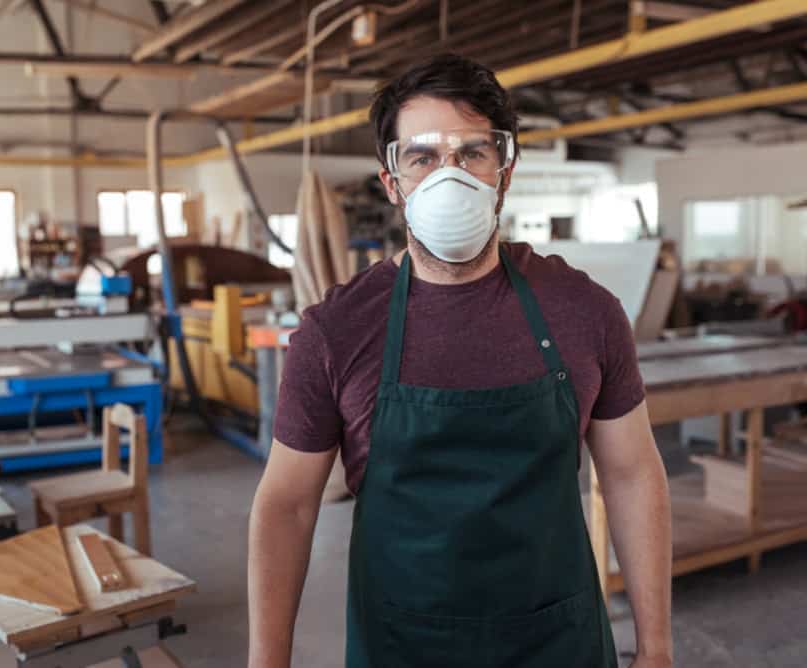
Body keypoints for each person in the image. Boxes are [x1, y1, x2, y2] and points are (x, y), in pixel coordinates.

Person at [248, 53, 672, 668]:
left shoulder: (585, 311)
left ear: (504, 170)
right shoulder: (334, 332)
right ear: (393, 181)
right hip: (403, 645)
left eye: (473, 153)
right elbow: (285, 505)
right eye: (422, 157)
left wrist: (656, 649)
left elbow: (633, 475)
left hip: (559, 642)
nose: (451, 176)